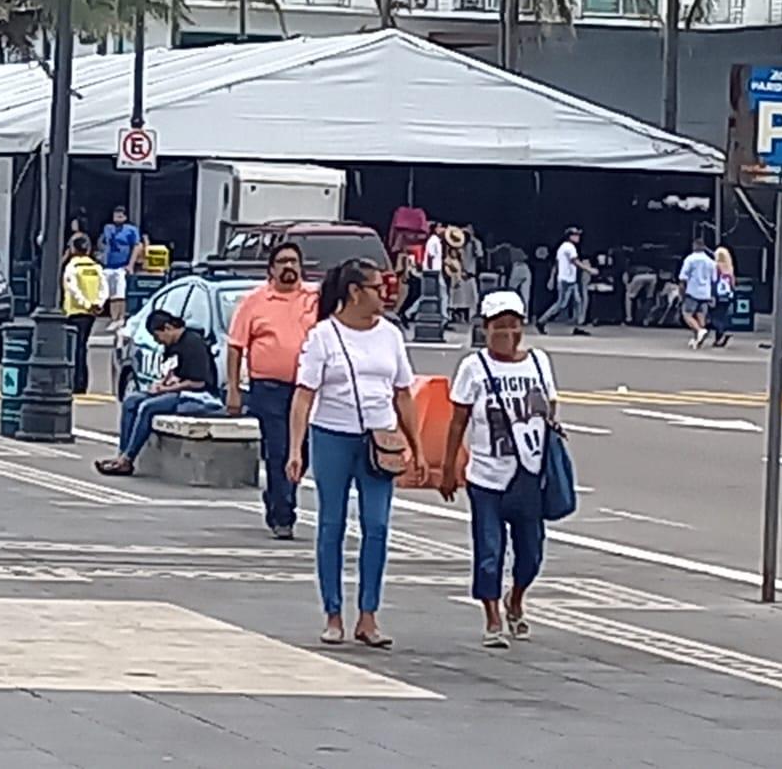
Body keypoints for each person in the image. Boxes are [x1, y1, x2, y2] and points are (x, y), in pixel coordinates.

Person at [286, 258, 424, 649]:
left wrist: (416, 444)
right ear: (355, 292)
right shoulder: (323, 336)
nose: (386, 294)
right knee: (332, 524)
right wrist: (296, 449)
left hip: (380, 439)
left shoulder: (391, 335)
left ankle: (368, 615)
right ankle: (333, 613)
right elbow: (304, 395)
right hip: (332, 435)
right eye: (378, 287)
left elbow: (403, 392)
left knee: (377, 526)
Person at [439, 290, 555, 649]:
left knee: (531, 553)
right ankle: (491, 616)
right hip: (486, 476)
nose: (508, 334)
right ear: (486, 329)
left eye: (514, 325)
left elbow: (550, 410)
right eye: (499, 327)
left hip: (528, 474)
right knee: (489, 550)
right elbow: (458, 421)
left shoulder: (538, 362)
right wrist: (448, 466)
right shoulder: (474, 368)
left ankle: (515, 599)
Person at [226, 242, 318, 540]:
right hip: (268, 389)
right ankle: (283, 516)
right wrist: (233, 391)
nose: (289, 267)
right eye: (282, 262)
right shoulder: (255, 301)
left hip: (307, 389)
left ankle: (278, 495)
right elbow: (235, 346)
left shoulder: (314, 300)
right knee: (279, 451)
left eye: (294, 262)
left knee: (302, 452)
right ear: (271, 269)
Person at [96, 311, 222, 476]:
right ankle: (121, 453)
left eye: (158, 336)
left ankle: (128, 459)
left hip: (196, 396)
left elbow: (198, 383)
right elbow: (171, 371)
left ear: (168, 328)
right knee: (131, 401)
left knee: (148, 407)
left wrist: (166, 389)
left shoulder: (193, 344)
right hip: (176, 390)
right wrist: (161, 384)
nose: (158, 341)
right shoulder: (171, 346)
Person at [62, 235, 106, 394]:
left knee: (74, 349)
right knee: (83, 348)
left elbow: (73, 290)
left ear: (73, 250)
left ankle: (74, 382)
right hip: (91, 314)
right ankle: (83, 382)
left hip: (74, 312)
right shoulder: (96, 267)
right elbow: (103, 288)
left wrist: (85, 304)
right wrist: (97, 304)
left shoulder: (72, 267)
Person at [536, 228, 593, 336]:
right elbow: (575, 261)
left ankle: (577, 327)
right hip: (566, 281)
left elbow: (556, 264)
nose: (578, 237)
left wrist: (552, 278)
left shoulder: (562, 247)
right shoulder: (569, 247)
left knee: (578, 302)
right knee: (561, 304)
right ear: (570, 236)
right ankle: (541, 321)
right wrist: (589, 269)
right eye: (576, 235)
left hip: (569, 280)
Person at [98, 206, 142, 330]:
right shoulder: (108, 228)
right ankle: (113, 318)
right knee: (110, 293)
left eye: (120, 215)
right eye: (116, 215)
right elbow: (103, 242)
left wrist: (131, 264)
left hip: (122, 265)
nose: (117, 218)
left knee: (120, 293)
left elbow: (137, 246)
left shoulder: (131, 230)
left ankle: (120, 317)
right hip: (108, 265)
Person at [678, 238, 718, 348]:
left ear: (694, 246)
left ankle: (699, 331)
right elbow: (714, 279)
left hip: (692, 291)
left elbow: (683, 278)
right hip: (705, 293)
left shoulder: (690, 259)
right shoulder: (711, 262)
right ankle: (697, 340)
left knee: (687, 314)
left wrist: (681, 292)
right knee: (701, 316)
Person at [707, 246, 737, 347]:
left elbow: (713, 280)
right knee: (723, 315)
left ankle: (721, 333)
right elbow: (732, 282)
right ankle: (719, 336)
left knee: (714, 316)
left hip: (717, 293)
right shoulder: (729, 267)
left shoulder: (715, 266)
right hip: (727, 294)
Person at [420, 223, 449, 321]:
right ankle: (444, 315)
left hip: (435, 270)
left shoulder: (437, 241)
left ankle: (409, 312)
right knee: (438, 294)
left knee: (430, 295)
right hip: (433, 271)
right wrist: (431, 272)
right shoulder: (433, 241)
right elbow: (430, 256)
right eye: (441, 227)